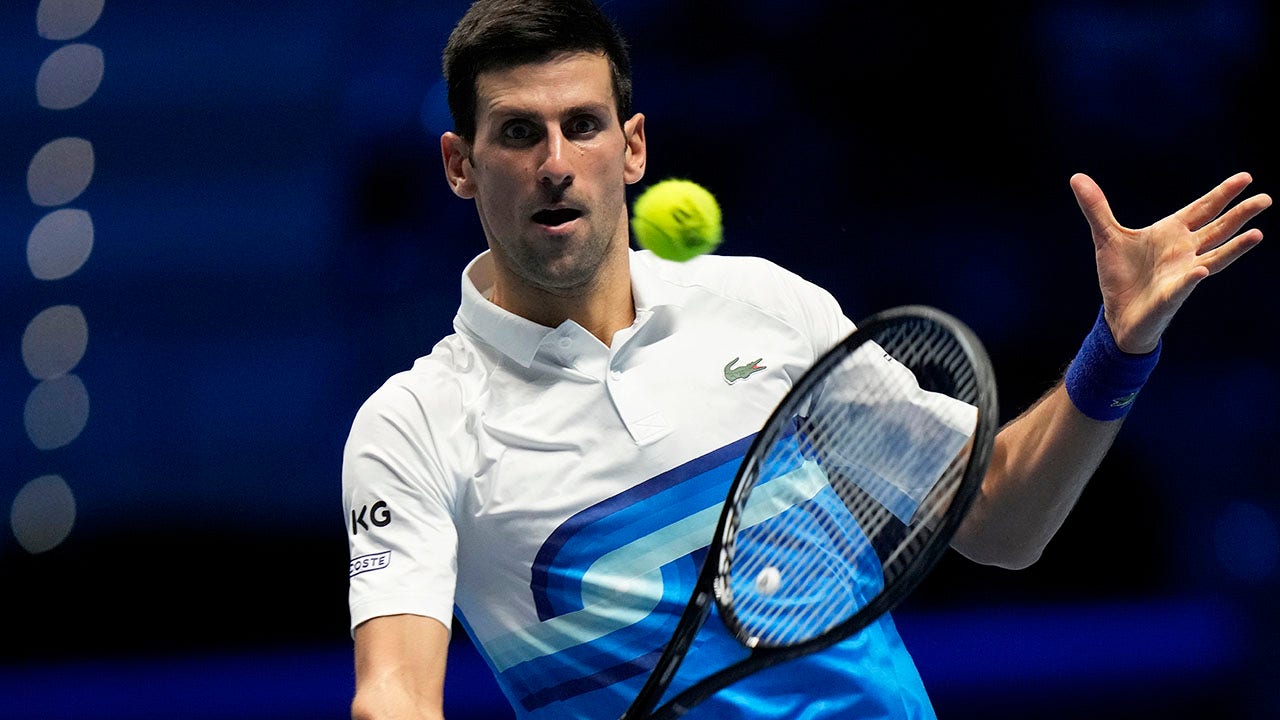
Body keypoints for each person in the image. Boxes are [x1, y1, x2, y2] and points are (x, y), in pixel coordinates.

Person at [342, 1, 1272, 718]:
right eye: (518, 132)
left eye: (582, 125)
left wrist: (1117, 347)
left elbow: (999, 518)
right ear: (460, 164)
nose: (555, 162)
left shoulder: (761, 304)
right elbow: (395, 694)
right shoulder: (415, 426)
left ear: (631, 149)